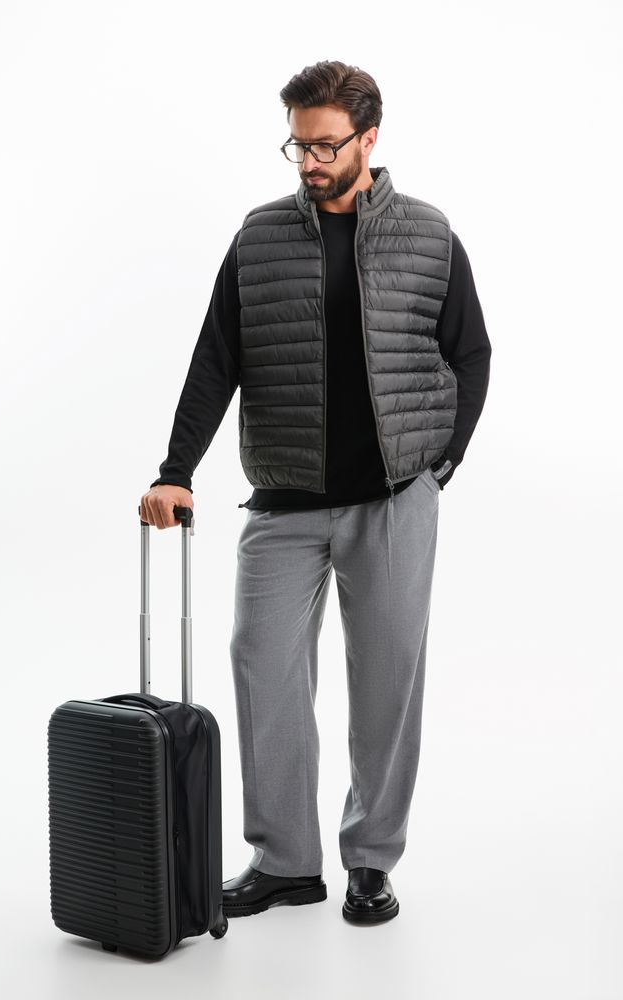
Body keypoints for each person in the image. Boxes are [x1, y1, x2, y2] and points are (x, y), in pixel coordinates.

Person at [140, 60, 491, 925]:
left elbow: (471, 352)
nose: (308, 161)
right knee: (260, 664)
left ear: (370, 138)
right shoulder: (259, 238)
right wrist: (176, 471)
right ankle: (286, 861)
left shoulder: (428, 235)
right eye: (297, 145)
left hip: (394, 501)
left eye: (326, 145)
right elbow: (216, 359)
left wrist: (439, 465)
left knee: (386, 684)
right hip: (285, 501)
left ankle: (370, 861)